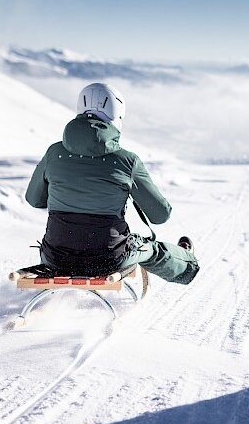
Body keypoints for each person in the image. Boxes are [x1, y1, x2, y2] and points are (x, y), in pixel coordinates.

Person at [25, 83, 199, 284]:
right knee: (150, 249)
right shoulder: (127, 161)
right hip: (108, 259)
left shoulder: (54, 153)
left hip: (55, 257)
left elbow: (33, 200)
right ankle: (185, 260)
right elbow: (160, 215)